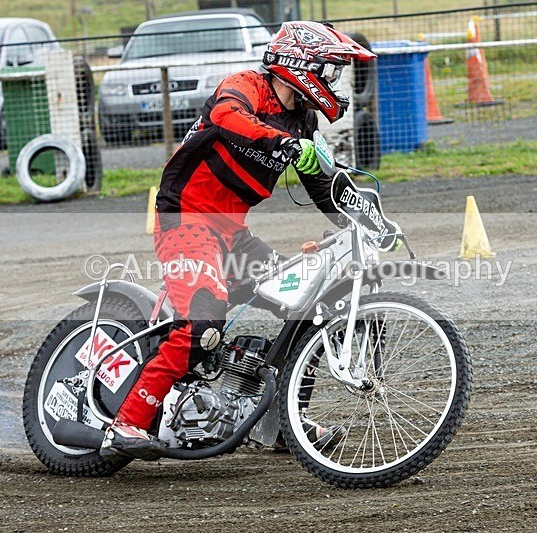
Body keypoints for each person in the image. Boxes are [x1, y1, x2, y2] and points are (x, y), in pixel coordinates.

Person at [101, 21, 376, 459]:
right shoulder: (245, 85)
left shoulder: (302, 122)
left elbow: (322, 187)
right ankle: (128, 421)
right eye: (330, 70)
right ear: (302, 65)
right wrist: (281, 142)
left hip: (232, 234)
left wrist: (366, 222)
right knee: (202, 322)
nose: (333, 81)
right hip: (186, 218)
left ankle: (284, 422)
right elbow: (225, 115)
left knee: (305, 302)